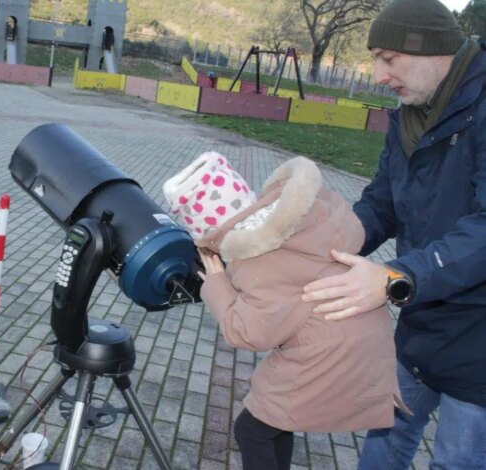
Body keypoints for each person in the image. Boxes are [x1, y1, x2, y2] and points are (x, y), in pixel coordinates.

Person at [300, 0, 486, 468]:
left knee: (456, 460)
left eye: (388, 58)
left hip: (477, 340)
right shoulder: (408, 113)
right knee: (386, 441)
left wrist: (392, 277)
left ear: (431, 50)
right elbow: (382, 203)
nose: (380, 75)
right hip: (420, 321)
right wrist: (325, 247)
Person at [163, 153, 407, 470]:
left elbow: (248, 332)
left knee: (252, 431)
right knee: (275, 421)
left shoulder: (260, 259)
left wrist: (217, 282)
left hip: (327, 355)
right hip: (360, 341)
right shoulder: (297, 222)